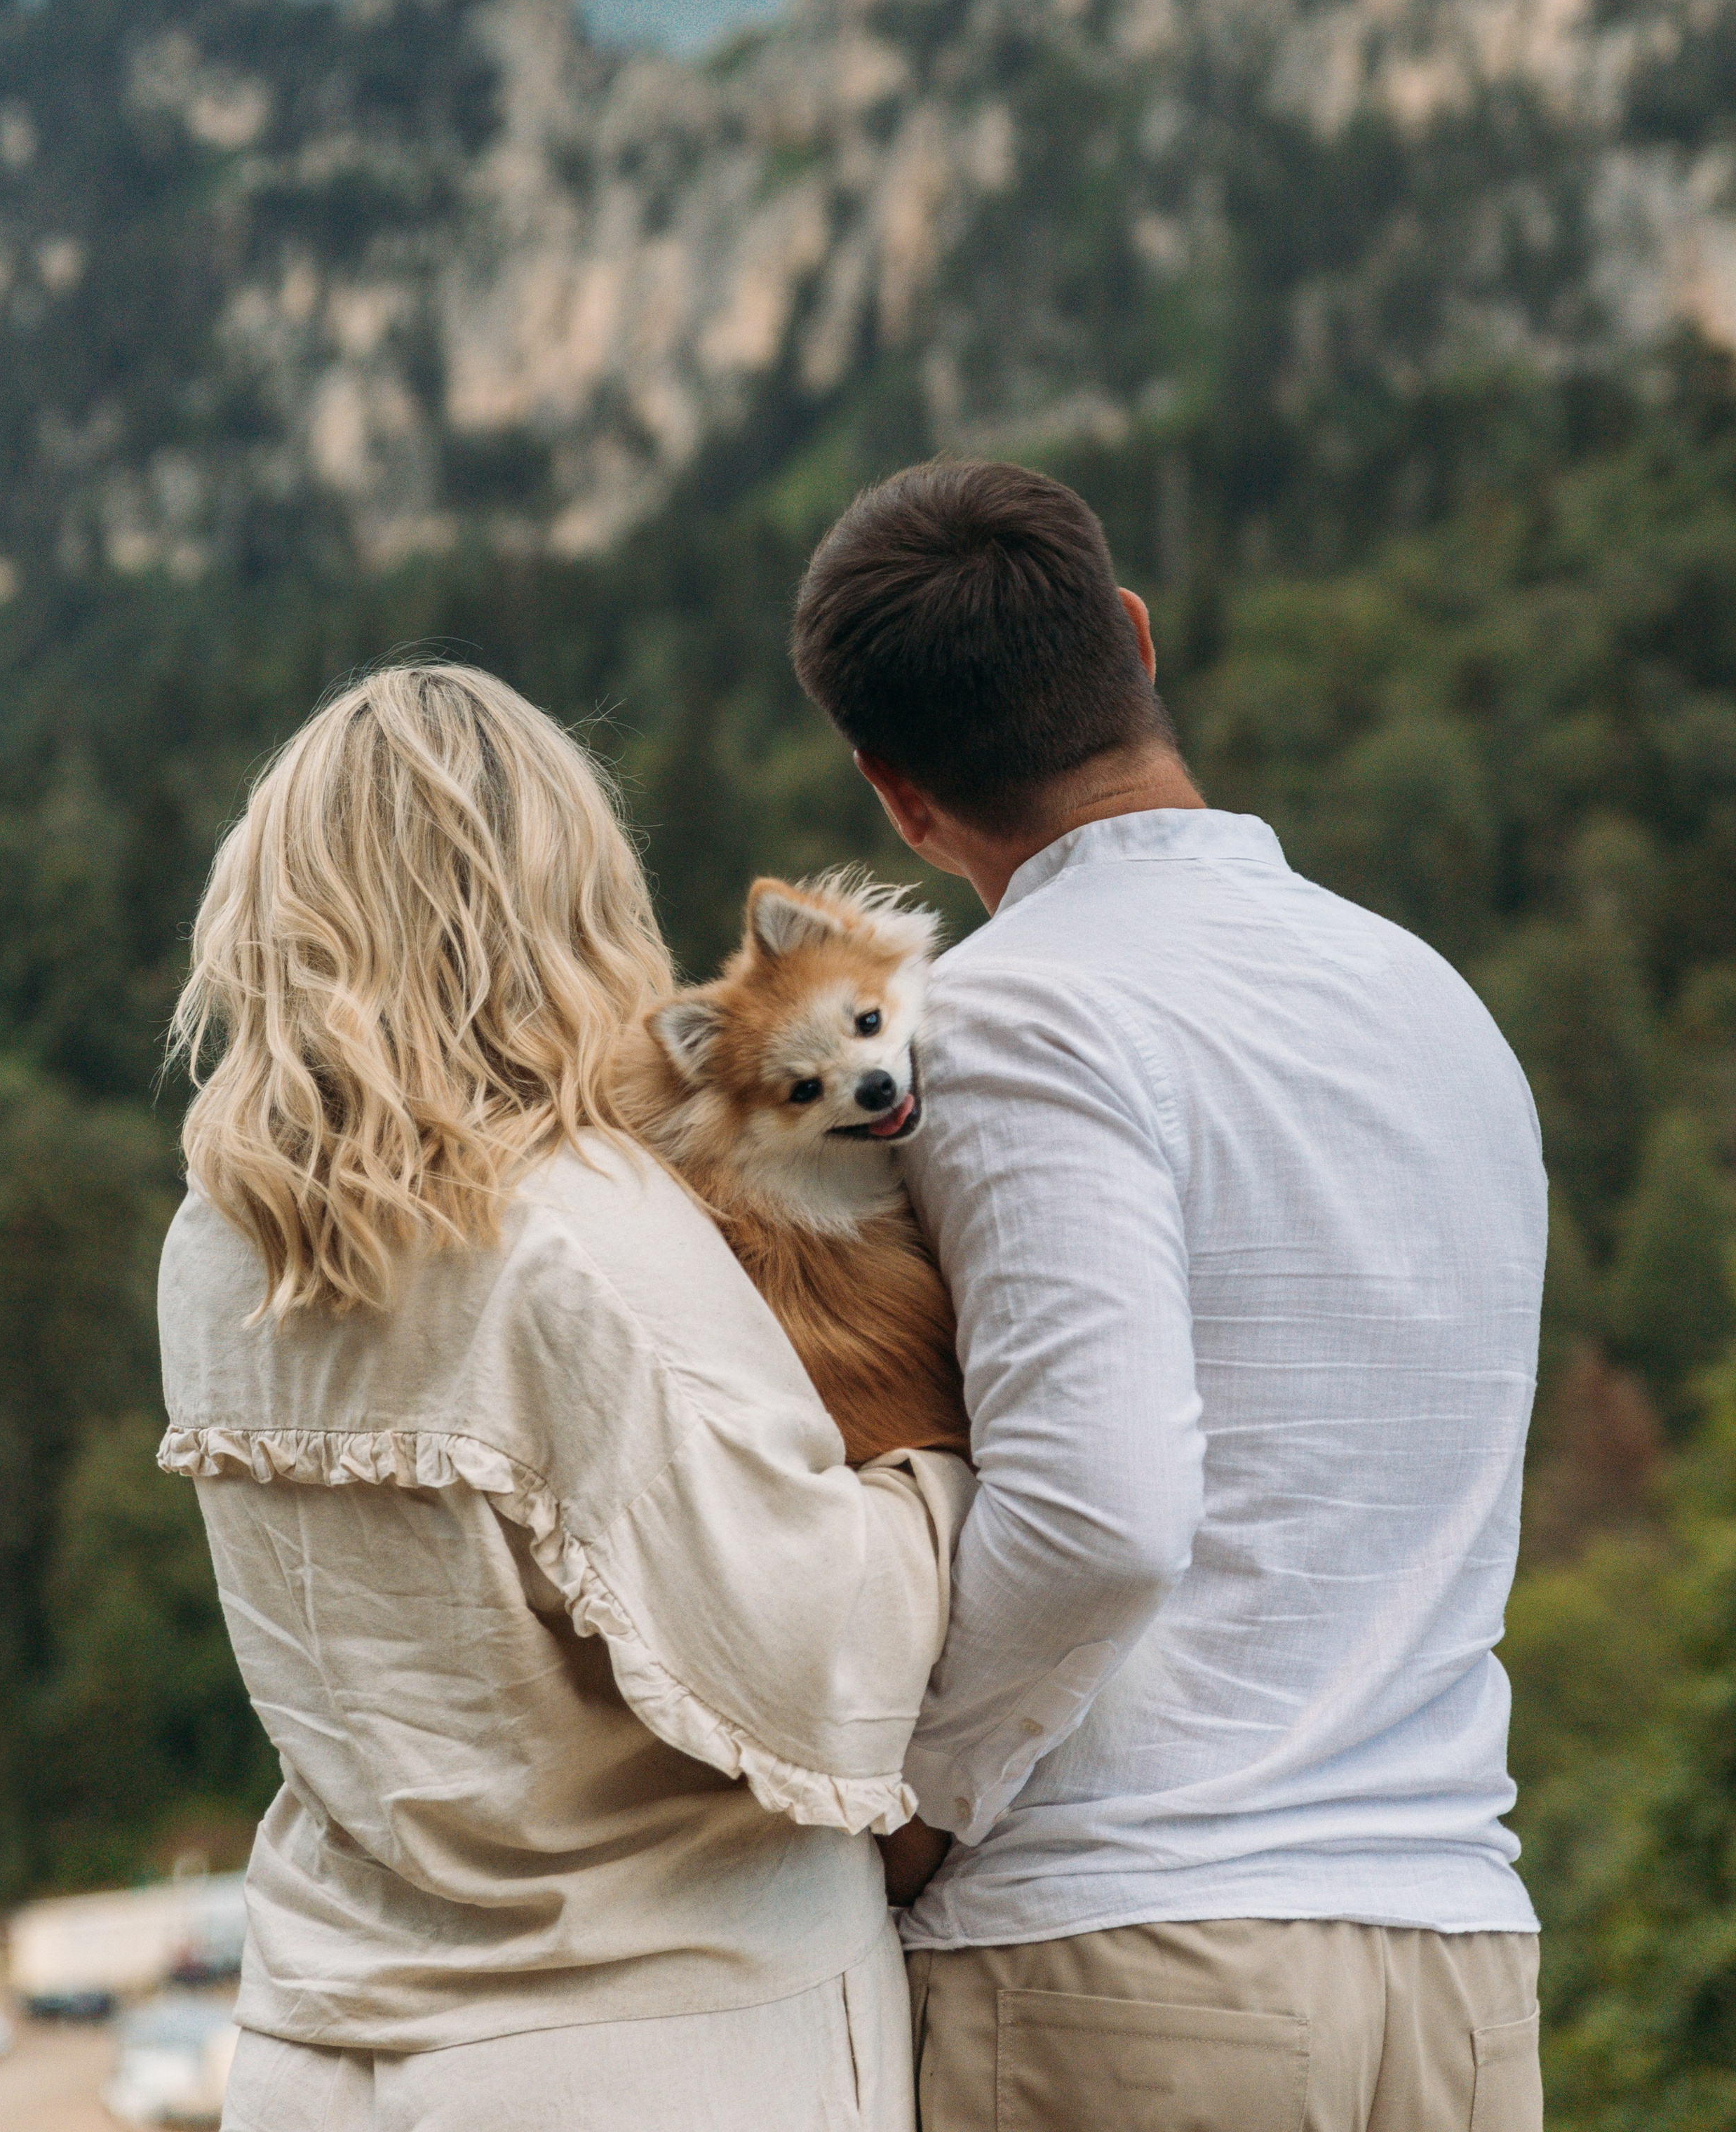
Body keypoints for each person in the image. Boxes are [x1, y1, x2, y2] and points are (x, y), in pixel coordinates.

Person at [792, 461, 1547, 2132]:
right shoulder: (1428, 999)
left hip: (1127, 1960)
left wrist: (913, 1804)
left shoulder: (1005, 1022)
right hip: (1456, 1955)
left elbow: (1100, 1513)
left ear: (897, 794)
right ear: (1132, 638)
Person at [157, 664, 972, 2132]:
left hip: (321, 2044)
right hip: (652, 2044)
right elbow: (812, 1657)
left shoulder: (220, 1234)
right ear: (563, 892)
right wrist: (932, 1475)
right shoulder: (582, 1229)